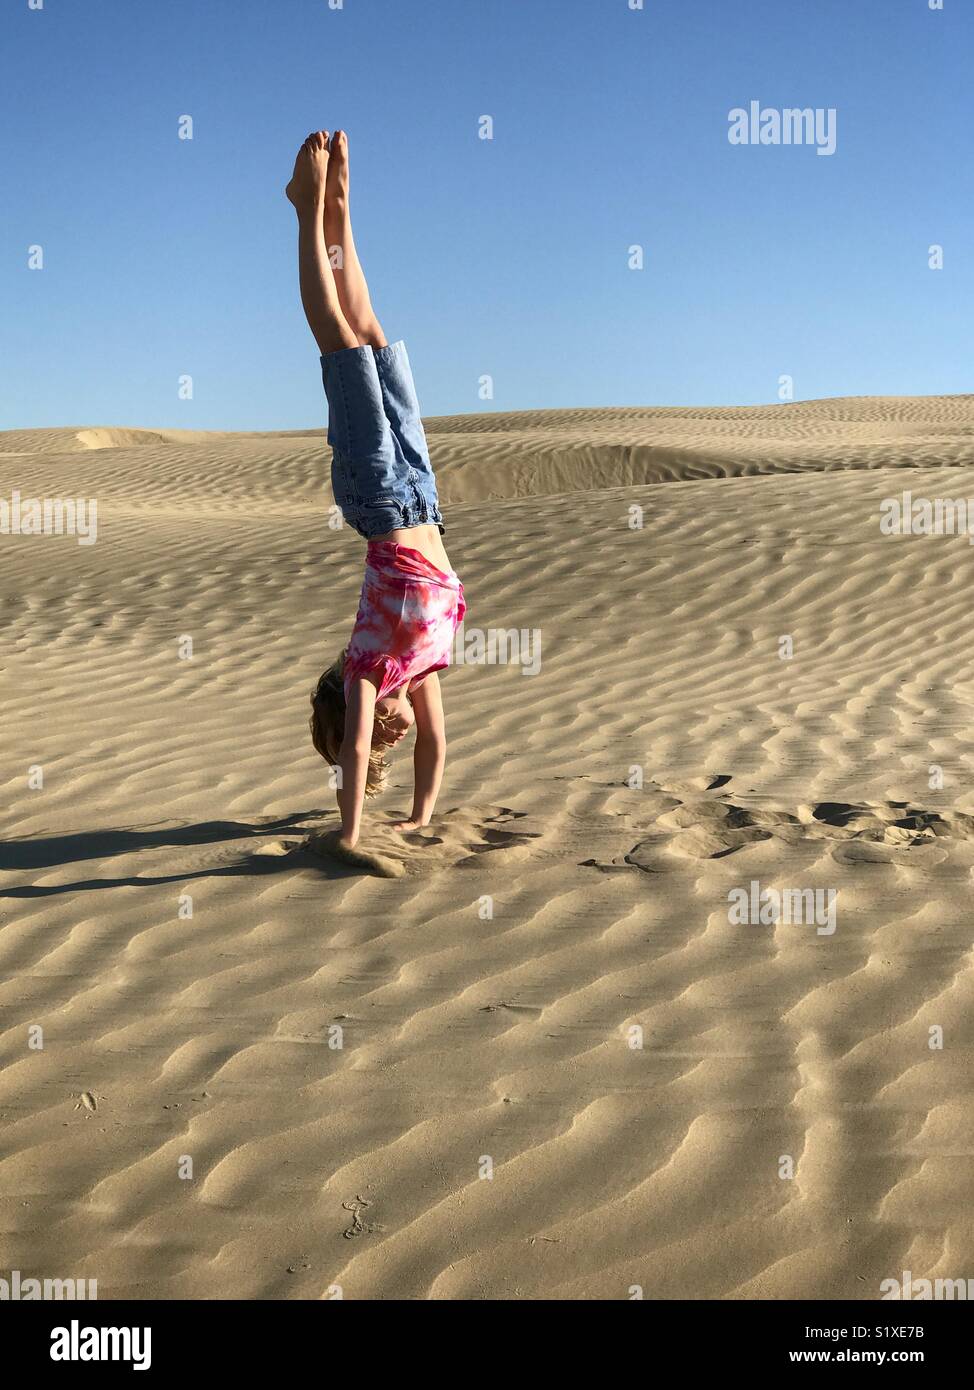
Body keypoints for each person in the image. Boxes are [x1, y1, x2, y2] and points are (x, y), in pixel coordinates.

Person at [287, 130, 466, 852]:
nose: (390, 733)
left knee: (338, 339)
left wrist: (351, 834)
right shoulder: (418, 670)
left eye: (369, 733)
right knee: (372, 332)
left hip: (378, 501)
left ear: (347, 714)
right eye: (392, 732)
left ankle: (308, 211)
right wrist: (422, 817)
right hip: (423, 498)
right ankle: (341, 205)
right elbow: (437, 744)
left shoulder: (366, 666)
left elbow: (357, 757)